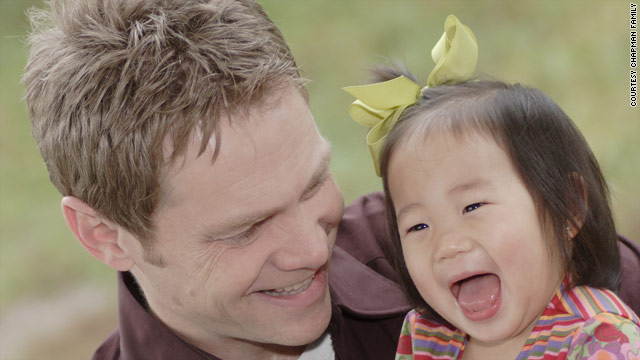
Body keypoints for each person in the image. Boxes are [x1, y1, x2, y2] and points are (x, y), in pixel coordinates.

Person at [22, 1, 640, 359]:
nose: (315, 249)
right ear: (104, 236)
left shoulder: (500, 262)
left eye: (314, 183)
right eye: (246, 228)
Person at [345, 15, 640, 360]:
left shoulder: (600, 338)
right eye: (418, 226)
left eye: (472, 207)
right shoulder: (426, 336)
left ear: (568, 207)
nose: (447, 245)